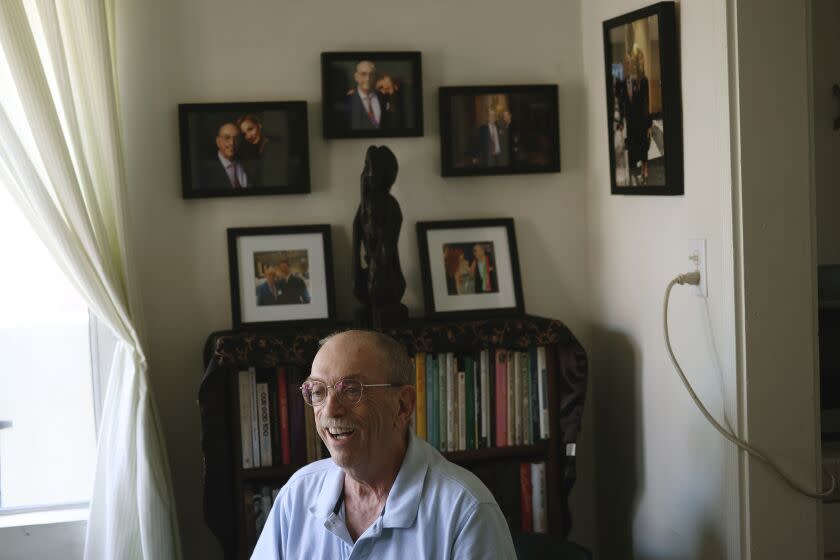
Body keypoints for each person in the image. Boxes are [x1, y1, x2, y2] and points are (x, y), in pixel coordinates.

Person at [251, 330, 516, 559]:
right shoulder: (297, 495)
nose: (330, 410)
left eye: (351, 389)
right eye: (318, 392)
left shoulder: (466, 510)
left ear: (403, 405)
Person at [616, 45, 652, 185]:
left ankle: (645, 168)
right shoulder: (623, 81)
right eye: (627, 62)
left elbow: (646, 103)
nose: (629, 63)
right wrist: (620, 120)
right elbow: (621, 102)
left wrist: (649, 124)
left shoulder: (643, 80)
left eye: (631, 61)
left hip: (641, 119)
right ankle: (633, 172)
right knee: (632, 145)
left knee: (643, 144)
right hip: (630, 120)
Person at [236, 114, 290, 187]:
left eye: (250, 129)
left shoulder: (276, 145)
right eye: (244, 134)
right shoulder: (247, 150)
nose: (248, 136)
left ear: (259, 125)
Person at [199, 122, 249, 190]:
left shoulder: (248, 165)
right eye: (227, 138)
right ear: (218, 142)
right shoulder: (204, 170)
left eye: (236, 138)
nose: (232, 143)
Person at [344, 60, 383, 130]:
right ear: (356, 77)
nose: (368, 78)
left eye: (371, 74)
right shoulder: (346, 101)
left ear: (375, 77)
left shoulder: (383, 97)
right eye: (363, 74)